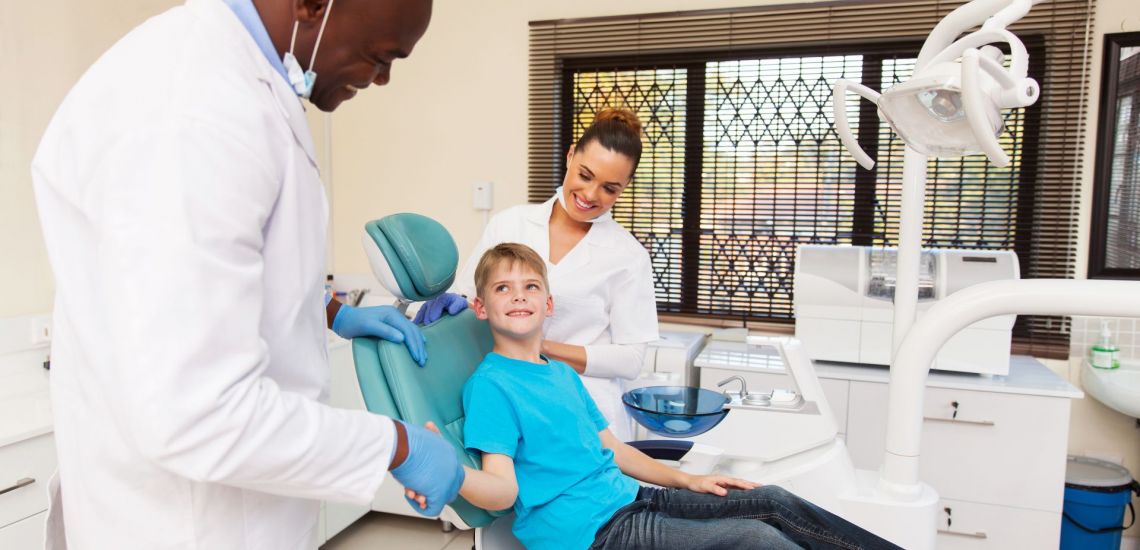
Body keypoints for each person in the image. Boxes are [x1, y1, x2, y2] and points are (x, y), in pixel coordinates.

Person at [31, 0, 462, 548]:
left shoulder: (237, 82)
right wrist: (395, 446)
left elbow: (227, 273)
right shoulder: (192, 113)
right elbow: (197, 412)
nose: (382, 77)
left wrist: (333, 311)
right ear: (312, 6)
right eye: (380, 56)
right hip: (183, 522)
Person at [412, 243, 902, 550]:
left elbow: (613, 449)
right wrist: (451, 472)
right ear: (480, 307)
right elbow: (503, 490)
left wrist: (686, 481)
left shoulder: (558, 374)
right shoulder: (492, 387)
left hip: (632, 501)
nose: (518, 295)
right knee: (758, 540)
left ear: (549, 303)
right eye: (503, 288)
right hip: (594, 534)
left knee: (770, 499)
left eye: (530, 286)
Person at [418, 108, 658, 441]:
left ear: (624, 187)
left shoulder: (628, 256)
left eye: (609, 188)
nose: (591, 195)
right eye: (585, 175)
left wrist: (537, 346)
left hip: (587, 416)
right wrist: (448, 308)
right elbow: (467, 299)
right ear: (571, 155)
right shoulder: (510, 224)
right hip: (510, 399)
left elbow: (630, 360)